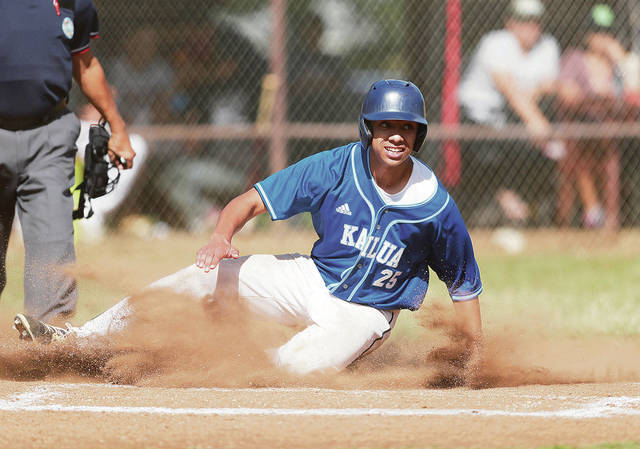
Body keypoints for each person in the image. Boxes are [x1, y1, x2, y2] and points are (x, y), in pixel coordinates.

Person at [13, 80, 483, 376]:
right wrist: (222, 237)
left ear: (420, 135)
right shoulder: (337, 167)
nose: (396, 136)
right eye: (386, 126)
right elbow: (248, 202)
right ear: (368, 129)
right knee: (203, 276)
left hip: (363, 313)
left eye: (407, 127)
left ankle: (203, 365)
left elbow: (464, 285)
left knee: (291, 372)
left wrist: (472, 358)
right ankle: (81, 340)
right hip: (311, 279)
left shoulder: (434, 208)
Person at [0, 0, 135, 324]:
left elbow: (85, 65)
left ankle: (47, 337)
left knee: (53, 241)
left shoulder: (75, 5)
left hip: (49, 133)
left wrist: (117, 126)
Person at [457, 0, 559, 226]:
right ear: (510, 23)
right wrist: (537, 122)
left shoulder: (547, 45)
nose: (531, 27)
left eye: (535, 21)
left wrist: (534, 104)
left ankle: (523, 208)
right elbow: (509, 89)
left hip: (515, 116)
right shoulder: (495, 43)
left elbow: (550, 85)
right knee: (488, 151)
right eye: (523, 21)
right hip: (478, 115)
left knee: (541, 154)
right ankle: (503, 201)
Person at [555, 3, 640, 229]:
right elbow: (566, 97)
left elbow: (634, 97)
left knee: (609, 151)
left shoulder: (620, 65)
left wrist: (622, 60)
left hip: (615, 133)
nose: (602, 38)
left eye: (607, 32)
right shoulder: (575, 59)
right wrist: (600, 98)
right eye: (597, 32)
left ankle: (609, 219)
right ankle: (593, 213)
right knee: (583, 146)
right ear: (587, 35)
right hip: (581, 130)